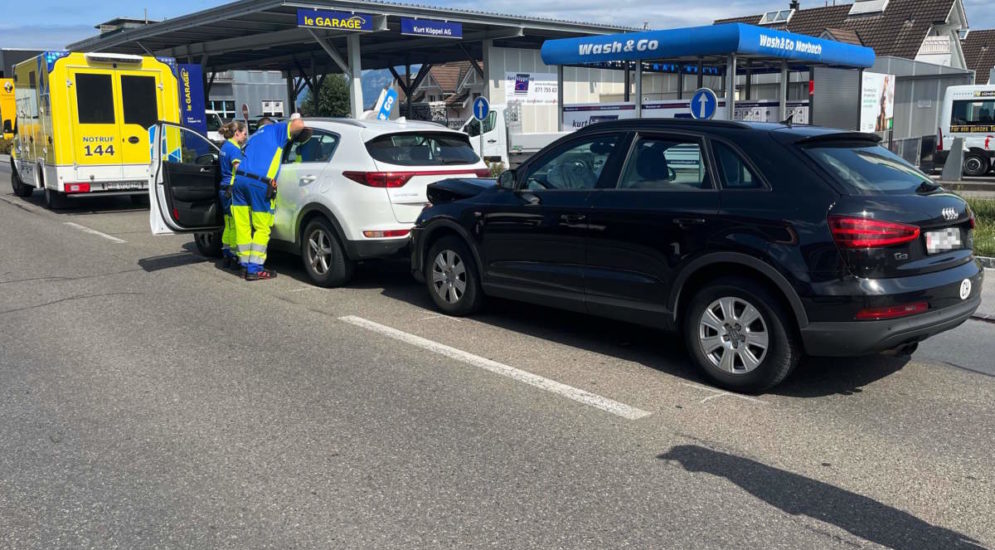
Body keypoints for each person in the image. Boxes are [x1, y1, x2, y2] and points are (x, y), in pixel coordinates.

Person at [231, 113, 310, 281]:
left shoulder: (251, 138)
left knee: (243, 225)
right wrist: (294, 121)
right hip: (258, 183)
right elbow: (299, 124)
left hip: (239, 181)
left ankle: (244, 266)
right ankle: (255, 269)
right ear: (271, 124)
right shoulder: (275, 129)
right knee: (262, 227)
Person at [218, 121, 247, 269]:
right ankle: (236, 256)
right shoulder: (235, 150)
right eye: (244, 134)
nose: (245, 137)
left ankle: (226, 254)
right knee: (236, 225)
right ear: (237, 133)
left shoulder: (224, 147)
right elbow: (239, 169)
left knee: (228, 224)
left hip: (223, 189)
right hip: (232, 189)